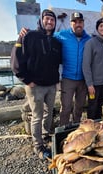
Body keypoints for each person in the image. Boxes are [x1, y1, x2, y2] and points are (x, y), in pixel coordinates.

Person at [11, 9, 62, 160]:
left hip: (51, 85)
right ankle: (38, 146)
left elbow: (57, 62)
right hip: (35, 86)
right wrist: (26, 80)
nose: (49, 22)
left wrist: (57, 81)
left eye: (52, 20)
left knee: (49, 112)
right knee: (37, 116)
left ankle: (46, 136)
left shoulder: (55, 42)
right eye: (47, 19)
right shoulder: (28, 36)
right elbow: (15, 60)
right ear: (41, 20)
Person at [54, 12, 91, 126]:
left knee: (79, 106)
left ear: (83, 23)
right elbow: (47, 34)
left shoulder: (88, 39)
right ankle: (63, 129)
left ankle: (76, 127)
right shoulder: (62, 35)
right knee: (66, 107)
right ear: (71, 24)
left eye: (80, 22)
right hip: (67, 79)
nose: (78, 24)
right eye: (75, 22)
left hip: (83, 80)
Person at [82, 18, 103, 120]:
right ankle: (91, 131)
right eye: (101, 26)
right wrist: (89, 84)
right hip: (93, 85)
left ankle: (98, 130)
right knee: (92, 109)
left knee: (99, 107)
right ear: (97, 28)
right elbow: (86, 65)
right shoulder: (91, 43)